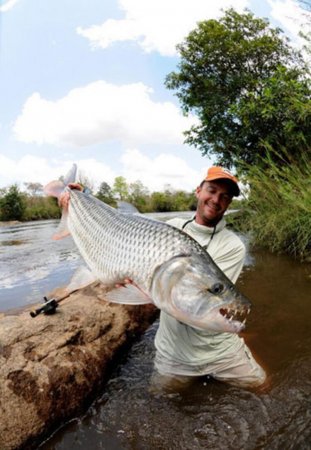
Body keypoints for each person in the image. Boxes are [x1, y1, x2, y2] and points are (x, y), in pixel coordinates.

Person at [152, 166, 266, 391]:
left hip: (220, 352)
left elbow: (195, 303)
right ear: (198, 191)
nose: (216, 200)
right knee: (159, 398)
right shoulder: (169, 229)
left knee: (262, 387)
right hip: (174, 352)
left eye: (224, 197)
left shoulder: (232, 246)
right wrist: (80, 196)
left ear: (229, 204)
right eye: (212, 190)